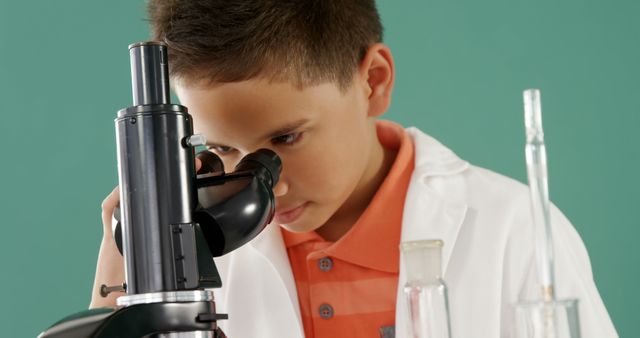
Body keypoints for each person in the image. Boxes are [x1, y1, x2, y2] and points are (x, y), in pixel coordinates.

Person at [90, 1, 618, 337]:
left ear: (374, 81)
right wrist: (121, 290)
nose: (262, 185)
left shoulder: (513, 231)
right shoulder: (197, 252)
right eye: (224, 150)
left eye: (286, 138)